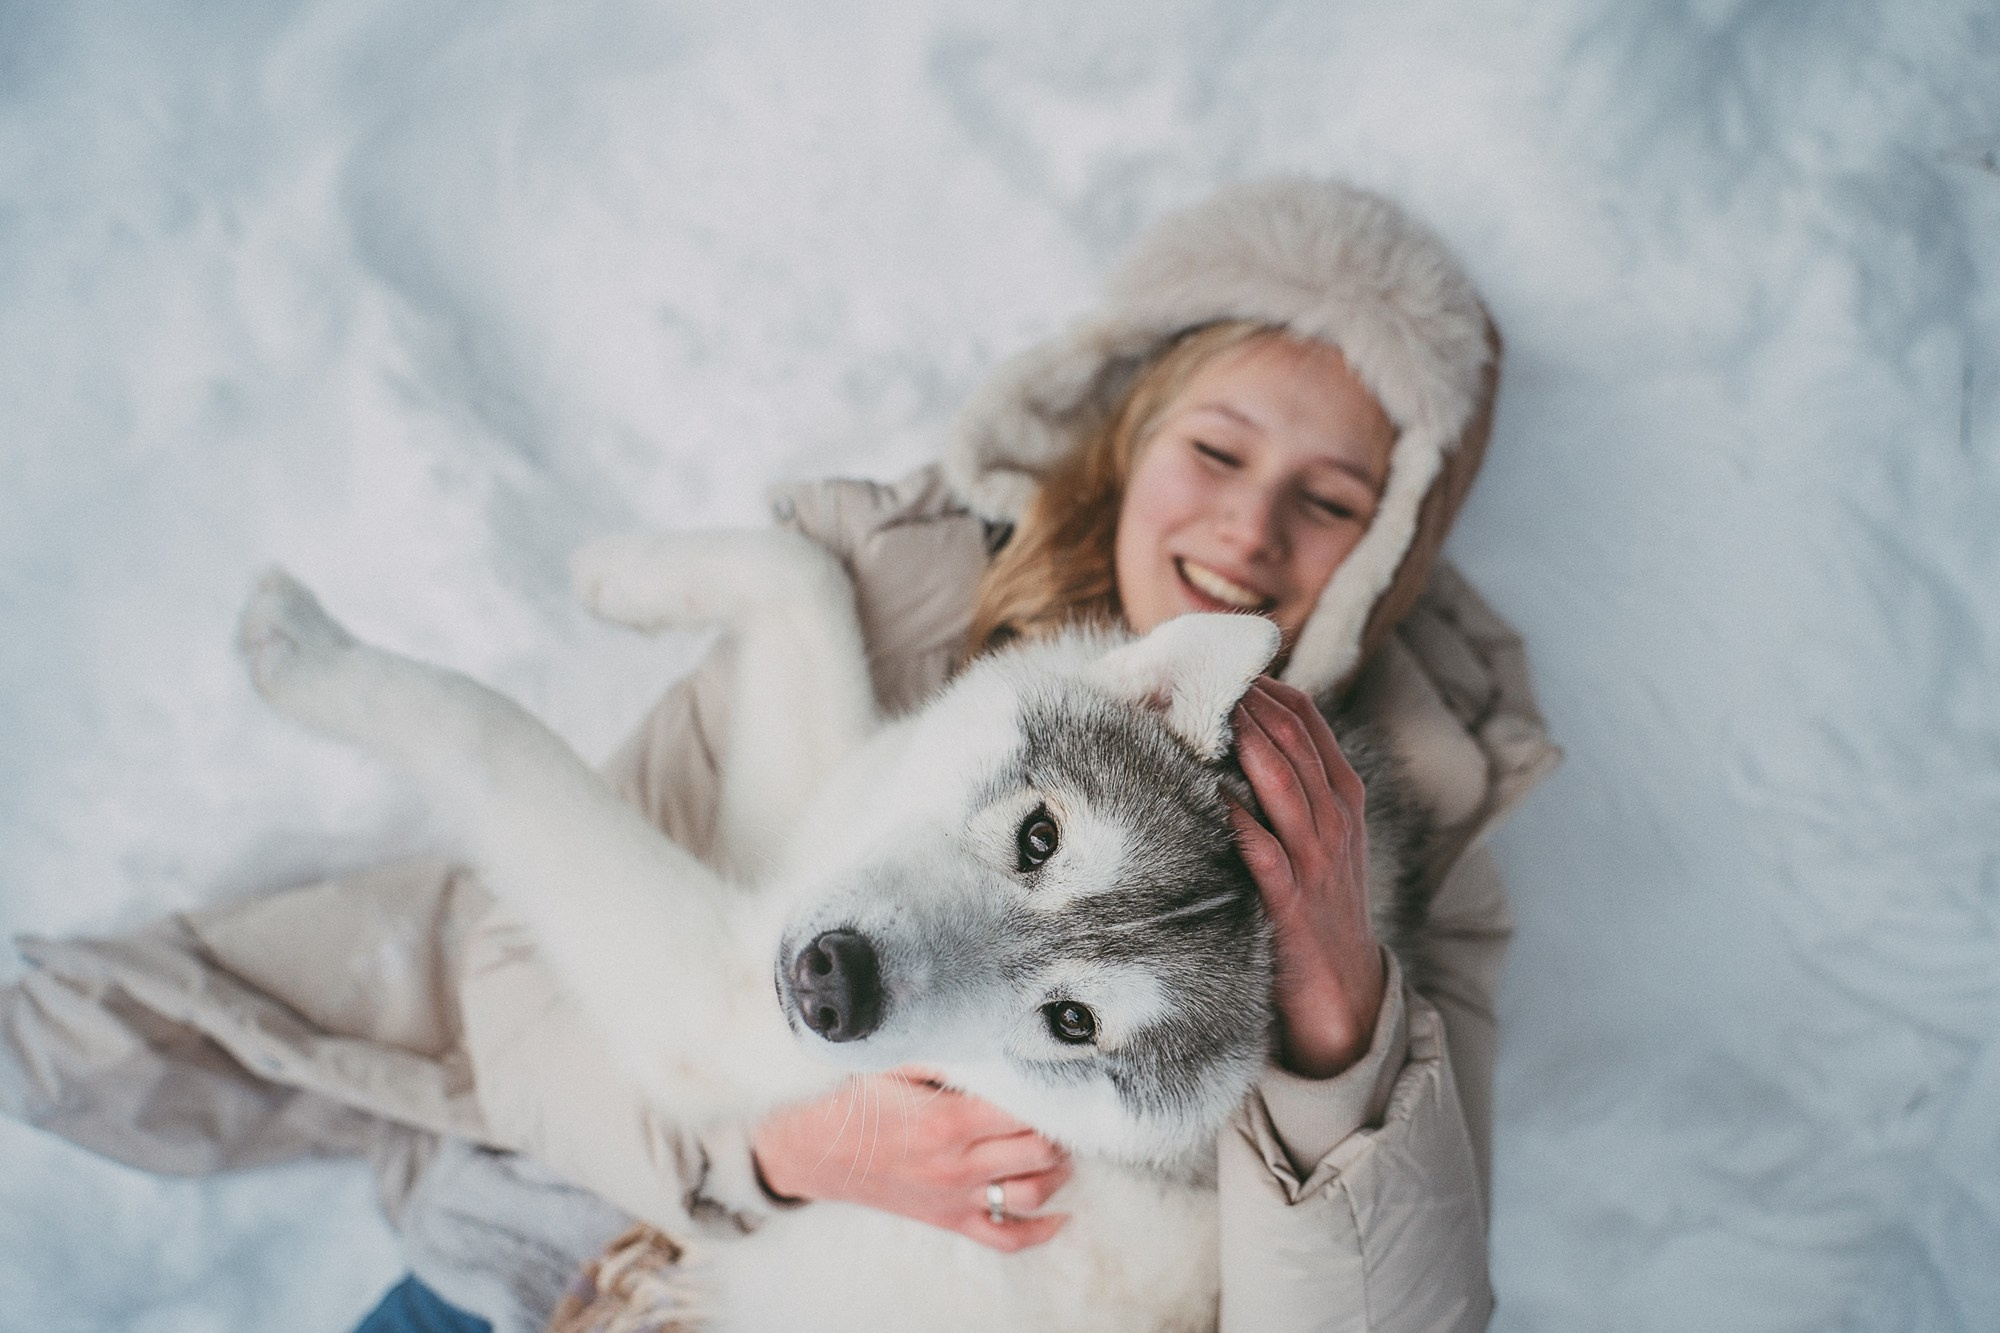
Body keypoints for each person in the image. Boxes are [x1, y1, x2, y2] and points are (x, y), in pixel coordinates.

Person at [0, 178, 1557, 1333]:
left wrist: (1339, 1022)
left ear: (1389, 553)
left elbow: (1391, 1318)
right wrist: (775, 1153)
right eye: (1217, 448)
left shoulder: (1427, 835)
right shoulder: (897, 592)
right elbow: (521, 977)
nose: (1249, 527)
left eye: (1332, 499)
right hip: (537, 1261)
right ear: (1127, 428)